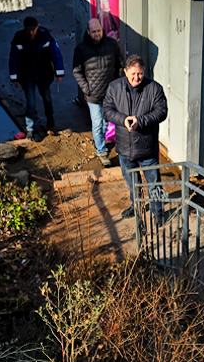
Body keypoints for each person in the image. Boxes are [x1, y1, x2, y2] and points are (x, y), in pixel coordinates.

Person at [103, 55, 168, 221]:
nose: (136, 77)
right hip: (124, 148)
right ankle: (137, 206)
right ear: (125, 72)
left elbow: (161, 112)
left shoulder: (154, 88)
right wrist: (123, 120)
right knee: (132, 183)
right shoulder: (114, 87)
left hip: (147, 148)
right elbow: (107, 111)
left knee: (153, 184)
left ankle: (158, 213)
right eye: (133, 74)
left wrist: (141, 121)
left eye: (140, 73)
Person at [72, 18, 123, 164]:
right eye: (93, 31)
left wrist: (117, 85)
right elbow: (76, 71)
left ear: (102, 29)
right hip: (93, 96)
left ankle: (102, 141)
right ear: (88, 31)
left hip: (109, 93)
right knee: (98, 123)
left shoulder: (112, 44)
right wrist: (86, 88)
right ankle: (101, 151)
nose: (97, 34)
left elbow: (121, 64)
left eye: (99, 31)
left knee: (107, 121)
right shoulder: (81, 49)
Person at [8, 16, 65, 141]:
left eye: (33, 29)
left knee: (47, 99)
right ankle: (30, 129)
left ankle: (50, 122)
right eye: (28, 30)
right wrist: (14, 77)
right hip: (27, 77)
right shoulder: (19, 39)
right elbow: (13, 59)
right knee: (31, 103)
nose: (31, 32)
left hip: (43, 75)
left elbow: (56, 53)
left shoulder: (45, 37)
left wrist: (59, 72)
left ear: (37, 27)